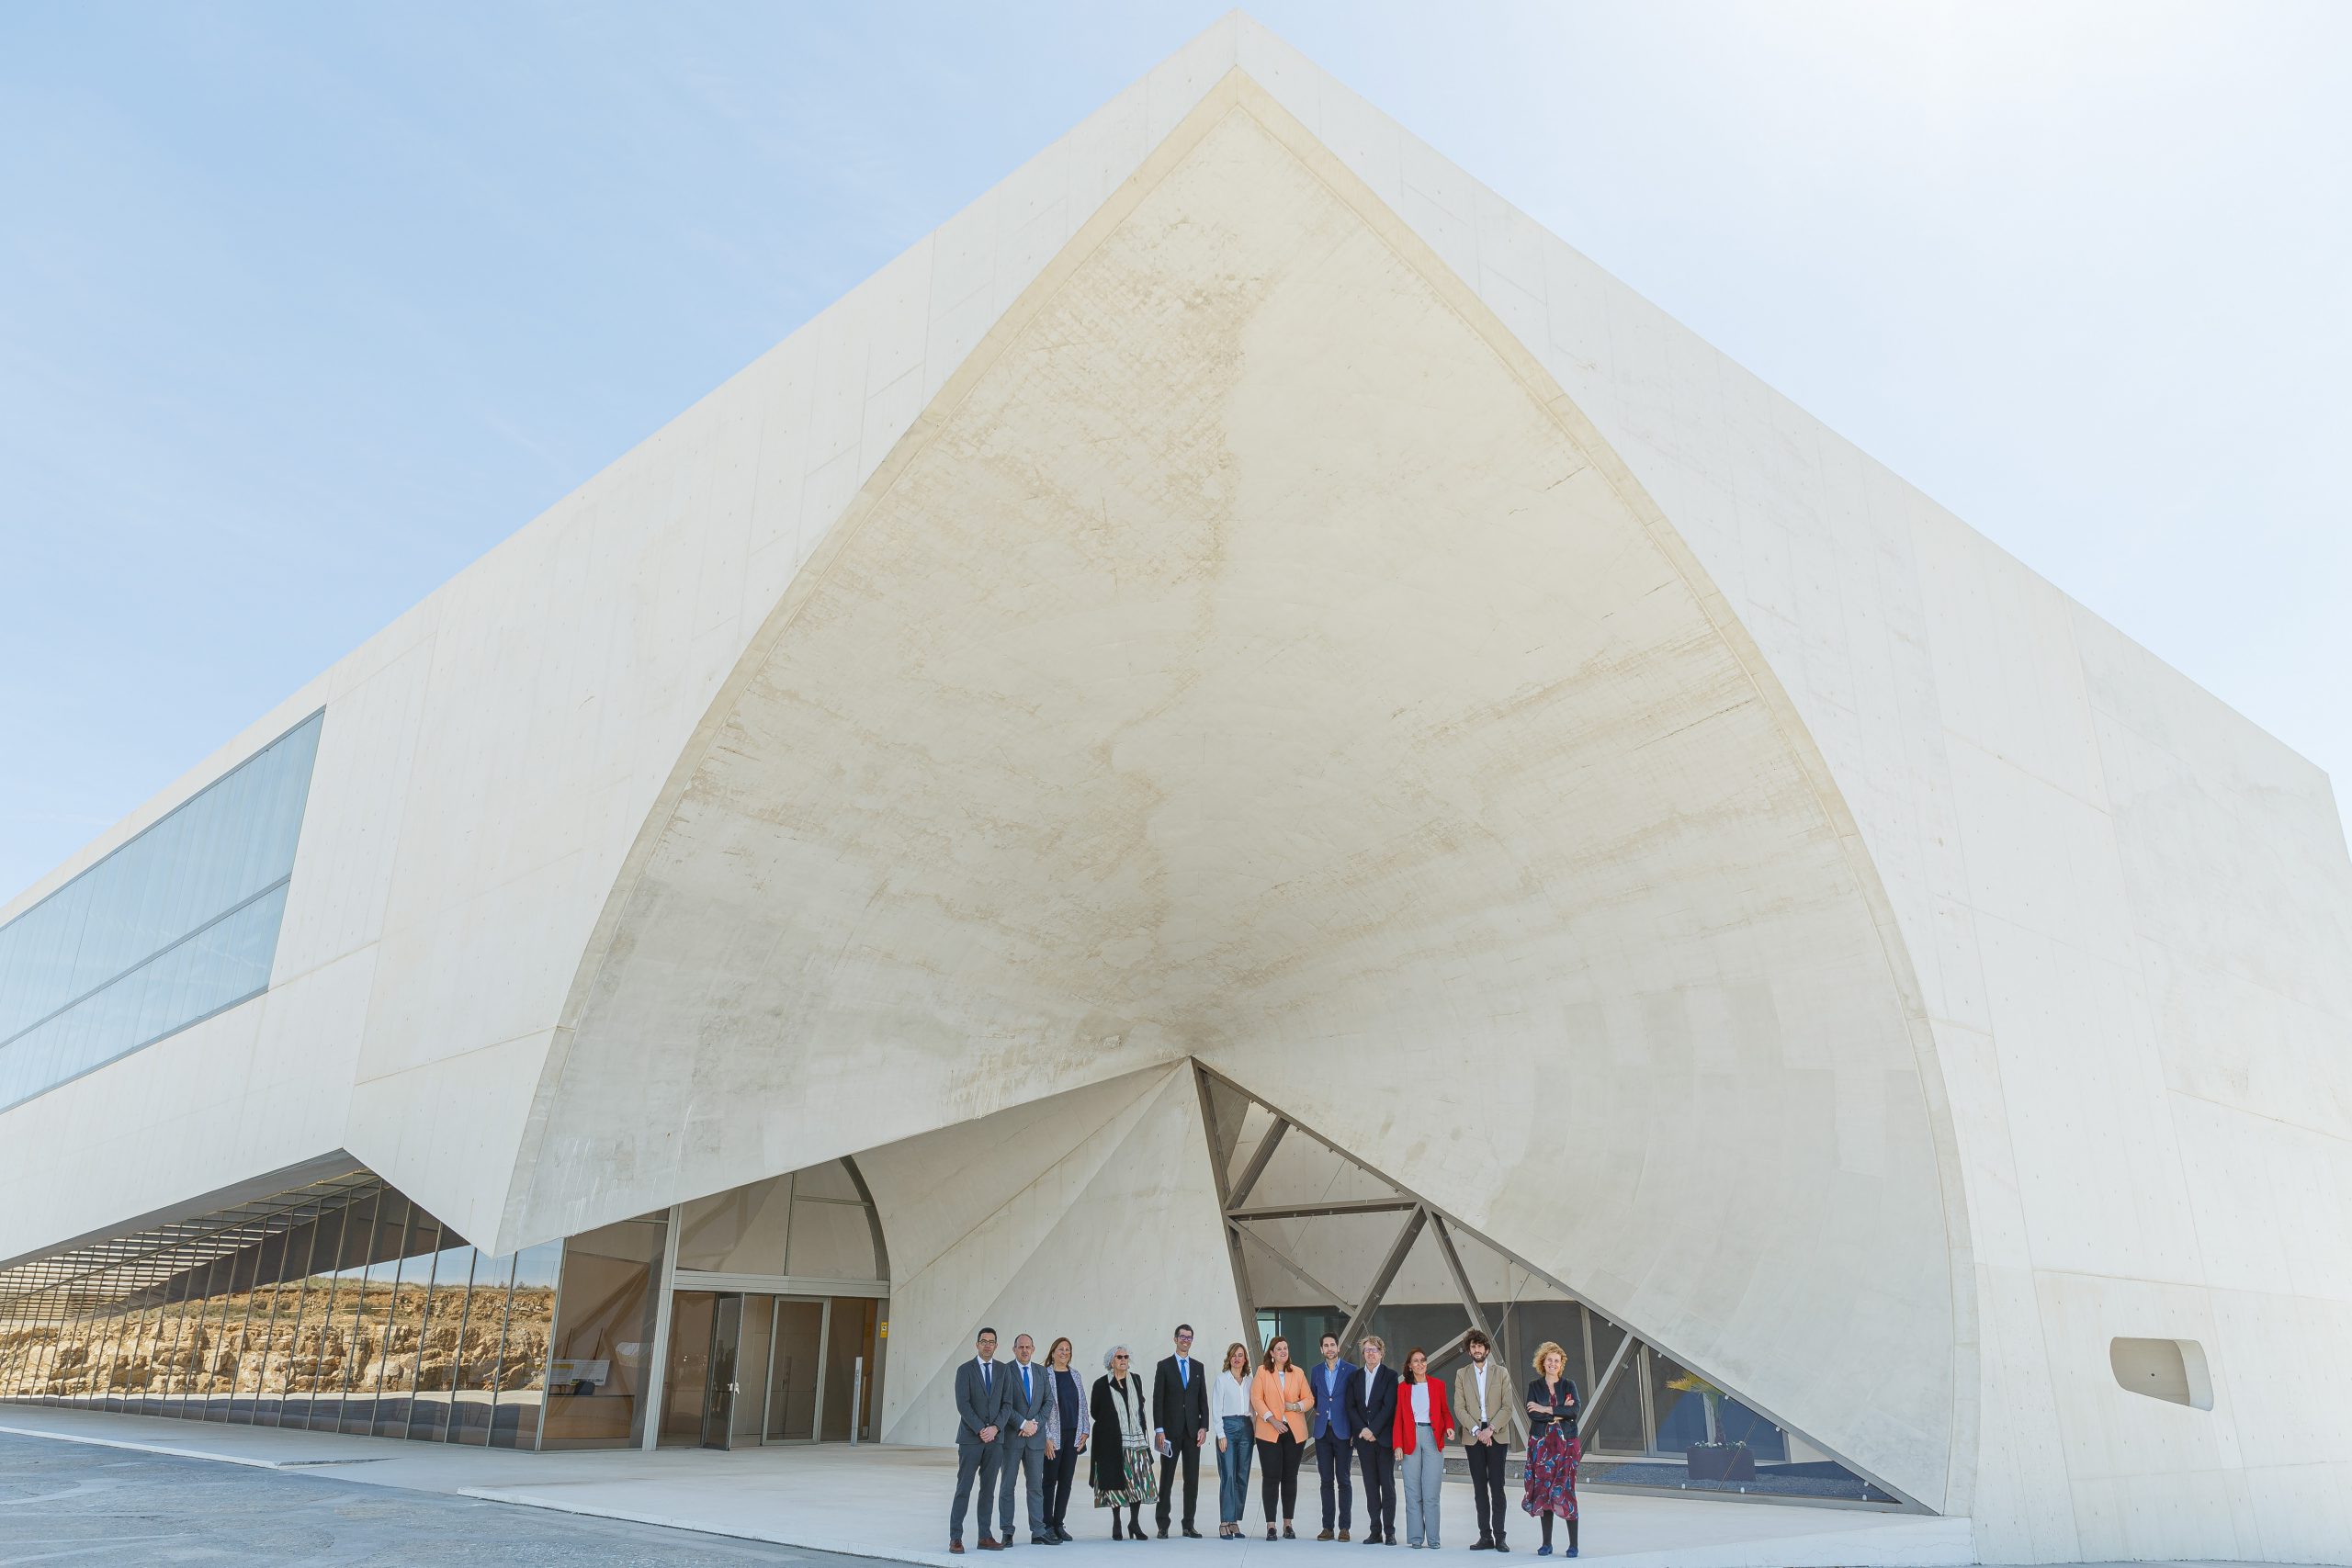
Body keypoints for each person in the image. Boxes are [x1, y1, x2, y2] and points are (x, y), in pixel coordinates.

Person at [1450, 1329, 1512, 1551]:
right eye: (1473, 1347)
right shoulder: (1461, 1374)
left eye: (1480, 1346)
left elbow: (1508, 1407)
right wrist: (1478, 1430)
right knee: (1479, 1488)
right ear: (1469, 1350)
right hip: (1473, 1435)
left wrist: (1490, 1429)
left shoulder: (1501, 1373)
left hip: (1497, 1434)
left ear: (1486, 1349)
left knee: (1497, 1486)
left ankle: (1500, 1536)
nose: (1477, 1350)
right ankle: (1485, 1536)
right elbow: (1459, 1407)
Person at [1090, 1345, 1159, 1540]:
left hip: (1136, 1441)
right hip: (1112, 1442)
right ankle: (1117, 1521)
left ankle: (1134, 1523)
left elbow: (1140, 1407)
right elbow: (1095, 1411)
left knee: (1138, 1481)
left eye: (1126, 1356)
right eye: (1119, 1357)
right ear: (1111, 1361)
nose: (1123, 1360)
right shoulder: (1101, 1384)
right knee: (1115, 1484)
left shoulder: (1135, 1380)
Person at [1250, 1335, 1314, 1540]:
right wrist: (1272, 1420)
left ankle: (1288, 1524)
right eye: (1279, 1349)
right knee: (1271, 1478)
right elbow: (1256, 1398)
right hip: (1269, 1432)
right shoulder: (1262, 1372)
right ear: (1272, 1353)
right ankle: (1271, 1526)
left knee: (1289, 1478)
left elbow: (1309, 1398)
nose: (1283, 1351)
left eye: (1285, 1348)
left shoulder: (1298, 1372)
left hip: (1294, 1432)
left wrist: (1296, 1407)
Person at [951, 1327, 1008, 1554]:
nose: (987, 1345)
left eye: (991, 1342)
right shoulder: (965, 1370)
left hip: (995, 1440)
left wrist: (994, 1428)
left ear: (996, 1345)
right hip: (970, 1439)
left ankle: (985, 1536)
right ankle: (955, 1537)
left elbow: (1008, 1404)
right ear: (977, 1344)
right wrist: (981, 1429)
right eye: (983, 1341)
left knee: (988, 1489)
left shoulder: (1003, 1370)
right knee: (963, 1488)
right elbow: (963, 1404)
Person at [1521, 1342, 1580, 1558]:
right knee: (1545, 1491)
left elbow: (1574, 1410)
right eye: (1549, 1360)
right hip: (1542, 1445)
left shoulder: (1569, 1385)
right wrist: (1558, 1412)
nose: (1553, 1364)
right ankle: (1546, 1544)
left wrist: (1546, 1408)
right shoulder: (1534, 1386)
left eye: (1557, 1360)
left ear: (1561, 1363)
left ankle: (1573, 1545)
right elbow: (1532, 1413)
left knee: (1566, 1489)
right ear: (1542, 1362)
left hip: (1566, 1445)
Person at [1393, 1348, 1455, 1549]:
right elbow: (1398, 1419)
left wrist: (1450, 1428)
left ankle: (1434, 1538)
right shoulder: (1403, 1388)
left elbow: (1445, 1411)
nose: (1420, 1364)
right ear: (1409, 1366)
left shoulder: (1437, 1385)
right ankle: (1416, 1538)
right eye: (1415, 1361)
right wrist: (1398, 1445)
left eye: (1423, 1360)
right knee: (1412, 1491)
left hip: (1432, 1437)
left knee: (1431, 1491)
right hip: (1410, 1439)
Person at [999, 1334, 1056, 1546]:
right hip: (1012, 1438)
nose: (1024, 1350)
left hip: (1035, 1438)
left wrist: (1034, 1425)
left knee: (1035, 1487)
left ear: (1033, 1349)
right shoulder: (1005, 1371)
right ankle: (1007, 1531)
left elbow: (1048, 1401)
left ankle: (1038, 1531)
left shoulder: (1041, 1372)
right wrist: (1022, 1424)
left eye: (1028, 1347)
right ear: (1014, 1349)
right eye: (1020, 1347)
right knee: (1007, 1486)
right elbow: (1004, 1404)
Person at [1152, 1324, 1208, 1539]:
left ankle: (1188, 1524)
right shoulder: (1164, 1366)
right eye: (1182, 1337)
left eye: (1189, 1337)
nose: (1186, 1340)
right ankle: (1163, 1524)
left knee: (1191, 1480)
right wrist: (1159, 1429)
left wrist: (1204, 1426)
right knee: (1166, 1478)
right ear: (1175, 1339)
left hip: (1193, 1432)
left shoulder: (1198, 1367)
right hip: (1170, 1433)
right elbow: (1158, 1400)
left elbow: (1202, 1399)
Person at [1342, 1336, 1399, 1544]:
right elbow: (1351, 1407)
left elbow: (1389, 1406)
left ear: (1382, 1352)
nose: (1370, 1353)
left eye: (1374, 1350)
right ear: (1362, 1353)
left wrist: (1373, 1430)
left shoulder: (1391, 1376)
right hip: (1363, 1440)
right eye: (1367, 1350)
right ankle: (1375, 1530)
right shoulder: (1355, 1377)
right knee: (1370, 1486)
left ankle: (1390, 1531)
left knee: (1387, 1485)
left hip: (1383, 1440)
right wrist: (1364, 1430)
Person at [1040, 1337, 1091, 1545]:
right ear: (1052, 1353)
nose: (1064, 1352)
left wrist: (1085, 1431)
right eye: (1060, 1349)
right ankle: (1047, 1525)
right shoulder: (1045, 1375)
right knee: (1049, 1481)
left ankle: (1059, 1524)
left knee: (1066, 1482)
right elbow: (1038, 1407)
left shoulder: (1075, 1375)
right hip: (1054, 1437)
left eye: (1067, 1349)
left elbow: (1083, 1405)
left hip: (1073, 1435)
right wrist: (1046, 1438)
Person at [1307, 1331, 1357, 1540]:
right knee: (1326, 1480)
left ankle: (1344, 1527)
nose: (1329, 1348)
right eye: (1325, 1345)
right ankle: (1327, 1527)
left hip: (1343, 1432)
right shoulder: (1316, 1371)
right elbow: (1314, 1396)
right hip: (1322, 1432)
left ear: (1338, 1347)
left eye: (1332, 1345)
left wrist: (1355, 1430)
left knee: (1343, 1480)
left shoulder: (1351, 1370)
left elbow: (1354, 1402)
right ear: (1321, 1349)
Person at [1209, 1340, 1257, 1539]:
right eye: (1234, 1355)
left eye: (1241, 1355)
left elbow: (1254, 1408)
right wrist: (1220, 1434)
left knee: (1242, 1475)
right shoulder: (1222, 1379)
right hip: (1227, 1428)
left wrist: (1255, 1431)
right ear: (1229, 1358)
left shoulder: (1250, 1380)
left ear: (1245, 1359)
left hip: (1246, 1427)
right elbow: (1216, 1409)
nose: (1237, 1358)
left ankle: (1234, 1521)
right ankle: (1224, 1521)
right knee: (1228, 1474)